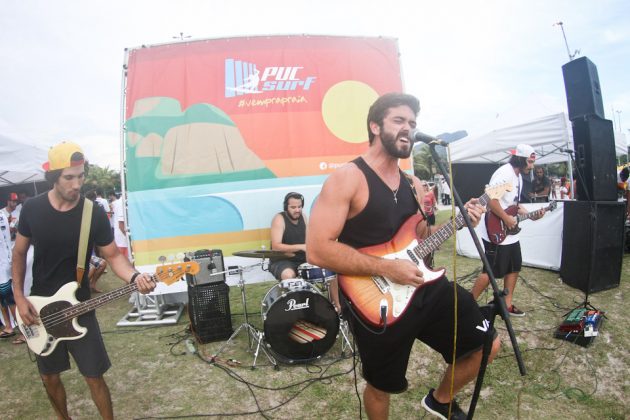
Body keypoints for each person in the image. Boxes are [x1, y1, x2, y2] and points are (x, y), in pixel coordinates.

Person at [307, 93, 500, 420]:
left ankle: (440, 400)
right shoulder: (347, 178)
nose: (408, 129)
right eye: (399, 121)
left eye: (412, 123)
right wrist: (387, 268)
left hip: (425, 285)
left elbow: (420, 237)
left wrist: (461, 220)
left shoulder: (414, 184)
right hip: (377, 298)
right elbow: (318, 248)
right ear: (375, 125)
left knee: (486, 344)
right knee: (382, 385)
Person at [12, 141, 156, 419]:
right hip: (39, 309)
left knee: (94, 376)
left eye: (81, 176)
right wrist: (19, 298)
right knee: (49, 377)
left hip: (80, 305)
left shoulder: (93, 213)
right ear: (54, 176)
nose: (77, 184)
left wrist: (136, 276)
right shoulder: (32, 209)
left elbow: (113, 256)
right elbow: (18, 253)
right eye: (69, 177)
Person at [470, 144, 546, 317]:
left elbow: (513, 206)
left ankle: (506, 304)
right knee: (490, 271)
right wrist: (505, 218)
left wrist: (531, 215)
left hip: (509, 232)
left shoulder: (518, 176)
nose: (532, 165)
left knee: (514, 266)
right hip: (494, 229)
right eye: (530, 161)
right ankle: (468, 304)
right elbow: (490, 200)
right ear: (520, 158)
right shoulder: (505, 172)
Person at [269, 192, 307, 280]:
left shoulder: (304, 217)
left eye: (299, 207)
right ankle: (292, 294)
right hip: (282, 261)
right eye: (293, 207)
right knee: (288, 275)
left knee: (330, 268)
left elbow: (308, 241)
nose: (297, 210)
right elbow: (276, 247)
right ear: (286, 207)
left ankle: (334, 294)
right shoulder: (279, 219)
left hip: (302, 259)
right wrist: (301, 247)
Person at [110, 193, 129, 258]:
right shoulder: (122, 203)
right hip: (124, 241)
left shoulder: (118, 202)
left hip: (121, 240)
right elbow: (121, 225)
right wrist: (129, 239)